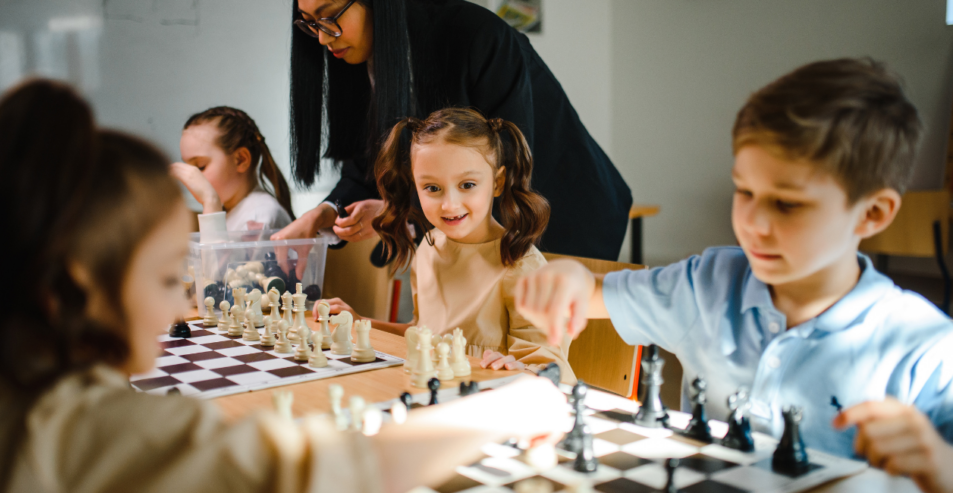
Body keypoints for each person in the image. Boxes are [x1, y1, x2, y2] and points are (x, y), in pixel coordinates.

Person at [0, 80, 568, 493]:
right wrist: (511, 408)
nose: (184, 300)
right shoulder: (104, 431)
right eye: (164, 275)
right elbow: (328, 470)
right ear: (70, 290)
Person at [512, 59, 953, 491]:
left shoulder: (925, 348)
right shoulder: (707, 284)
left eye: (787, 203)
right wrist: (569, 279)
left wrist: (942, 466)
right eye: (744, 191)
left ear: (872, 213)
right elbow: (592, 294)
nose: (752, 222)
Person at [273, 0, 632, 263]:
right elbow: (364, 167)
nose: (322, 39)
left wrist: (396, 211)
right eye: (309, 23)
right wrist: (327, 212)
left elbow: (499, 171)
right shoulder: (353, 57)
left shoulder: (474, 36)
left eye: (330, 17)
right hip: (483, 226)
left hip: (559, 214)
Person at [323, 108, 574, 382]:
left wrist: (520, 368)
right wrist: (360, 320)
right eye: (432, 188)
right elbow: (421, 333)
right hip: (435, 394)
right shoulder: (428, 249)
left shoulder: (521, 265)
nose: (449, 204)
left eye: (467, 184)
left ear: (498, 182)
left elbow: (549, 368)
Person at [171, 106, 294, 233]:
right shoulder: (231, 211)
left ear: (241, 160)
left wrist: (210, 200)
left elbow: (214, 254)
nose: (192, 178)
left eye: (201, 166)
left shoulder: (260, 217)